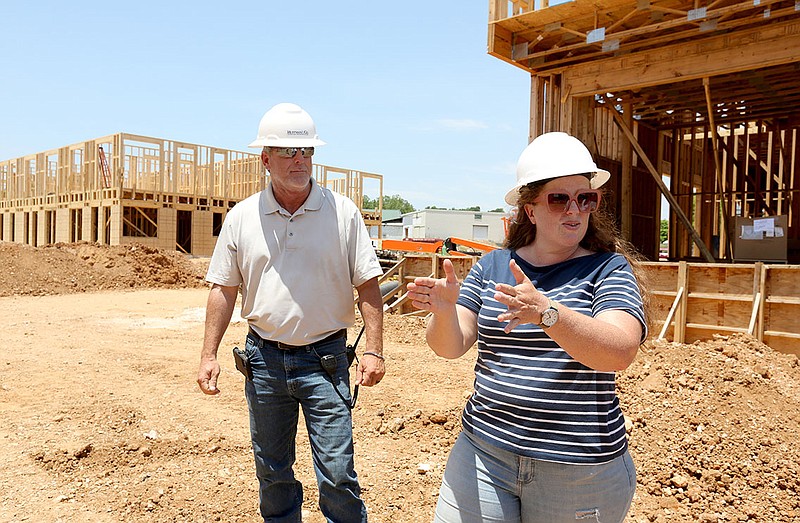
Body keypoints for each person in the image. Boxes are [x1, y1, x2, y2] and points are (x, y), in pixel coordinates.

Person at [407, 132, 648, 523]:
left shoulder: (607, 269)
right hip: (485, 452)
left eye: (585, 198)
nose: (575, 210)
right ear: (530, 210)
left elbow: (619, 350)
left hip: (577, 471)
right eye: (559, 198)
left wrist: (546, 312)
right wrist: (445, 311)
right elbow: (451, 346)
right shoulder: (493, 266)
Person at [196, 102, 385, 523]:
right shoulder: (243, 217)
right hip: (264, 362)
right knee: (273, 470)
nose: (299, 161)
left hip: (326, 359)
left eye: (306, 152)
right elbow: (224, 290)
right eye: (287, 152)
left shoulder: (343, 213)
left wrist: (373, 350)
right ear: (265, 158)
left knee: (337, 473)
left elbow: (368, 285)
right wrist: (208, 354)